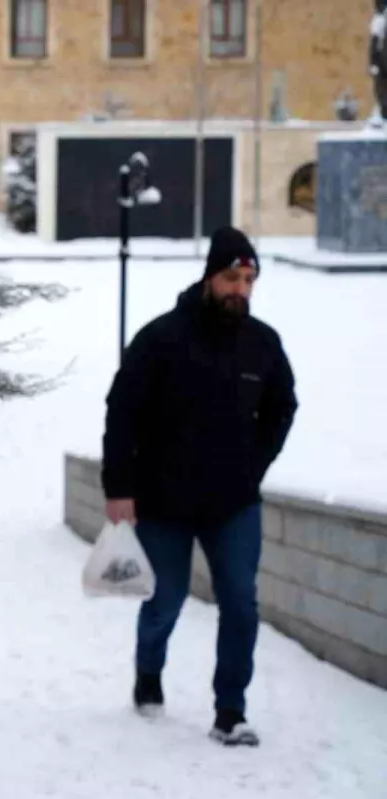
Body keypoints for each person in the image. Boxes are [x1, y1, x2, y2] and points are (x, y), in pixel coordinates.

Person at [101, 226, 298, 747]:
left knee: (241, 603)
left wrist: (254, 465)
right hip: (164, 500)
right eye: (232, 277)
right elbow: (121, 412)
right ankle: (148, 672)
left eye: (249, 279)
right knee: (166, 599)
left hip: (233, 503)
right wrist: (120, 488)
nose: (241, 288)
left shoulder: (263, 344)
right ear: (210, 277)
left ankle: (230, 711)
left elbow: (283, 408)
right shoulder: (161, 338)